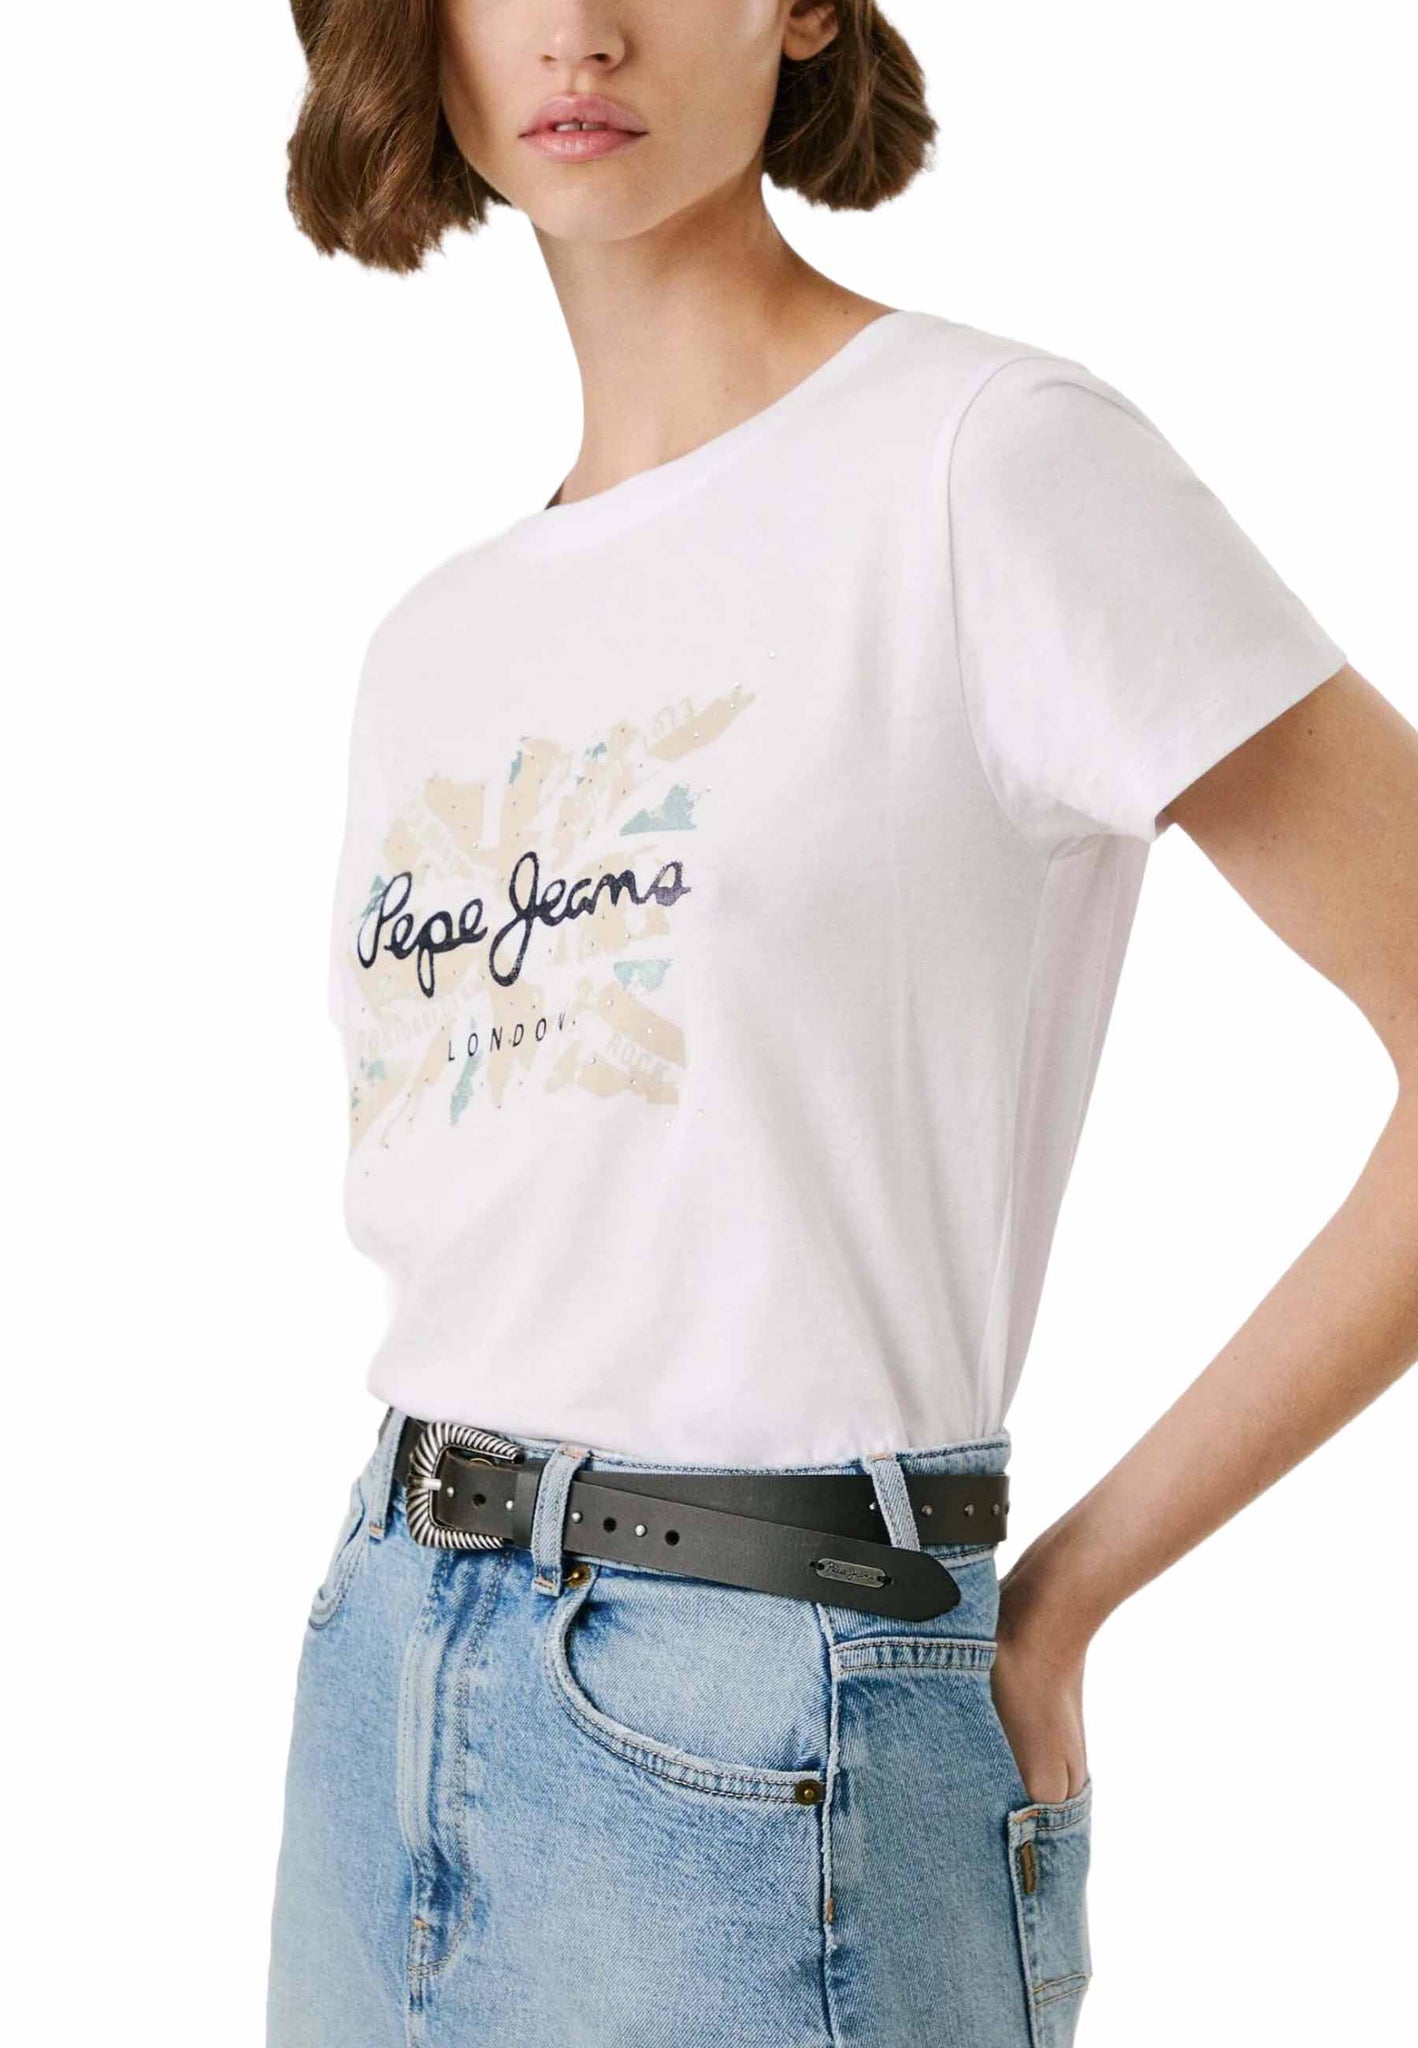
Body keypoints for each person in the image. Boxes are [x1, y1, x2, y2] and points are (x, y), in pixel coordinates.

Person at [266, 4, 1418, 2044]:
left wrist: (1056, 1598)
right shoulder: (434, 635)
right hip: (386, 1665)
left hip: (765, 1720)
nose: (580, 32)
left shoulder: (983, 463)